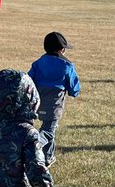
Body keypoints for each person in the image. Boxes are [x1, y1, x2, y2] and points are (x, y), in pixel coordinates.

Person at [27, 31, 80, 167]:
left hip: (38, 102)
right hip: (55, 103)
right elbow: (73, 85)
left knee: (49, 127)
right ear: (62, 50)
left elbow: (28, 80)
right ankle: (36, 145)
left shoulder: (38, 63)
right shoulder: (67, 65)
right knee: (49, 130)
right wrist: (74, 92)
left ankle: (48, 156)